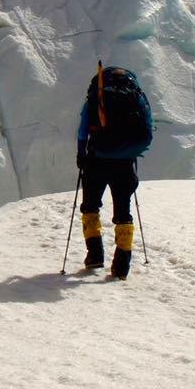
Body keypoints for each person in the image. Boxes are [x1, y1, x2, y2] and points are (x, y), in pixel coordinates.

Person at [76, 66, 153, 280]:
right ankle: (122, 265)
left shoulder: (97, 96)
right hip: (124, 163)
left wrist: (81, 154)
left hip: (96, 160)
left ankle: (95, 255)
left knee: (90, 206)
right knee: (123, 210)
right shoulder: (136, 97)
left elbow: (82, 130)